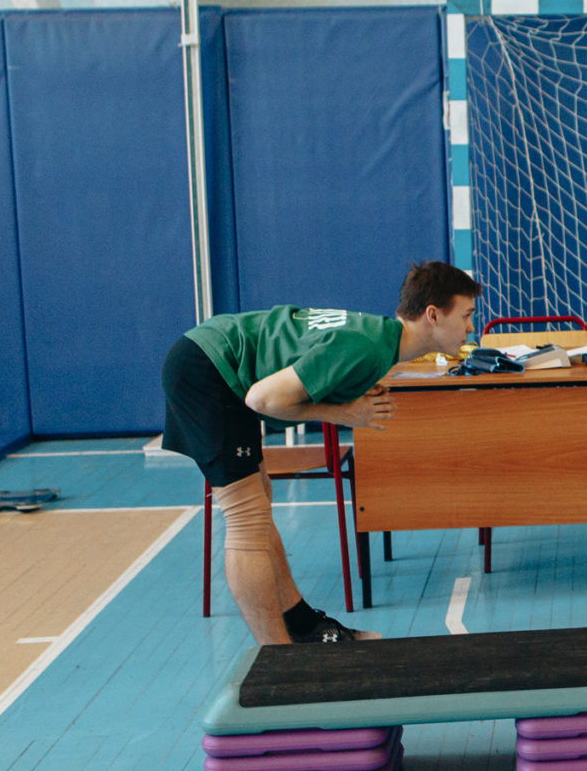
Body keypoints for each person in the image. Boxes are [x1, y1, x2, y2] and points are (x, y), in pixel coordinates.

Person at [161, 261, 481, 645]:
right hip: (206, 369)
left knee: (257, 501)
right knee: (246, 516)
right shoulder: (366, 347)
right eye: (466, 315)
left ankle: (301, 625)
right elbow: (262, 398)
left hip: (219, 363)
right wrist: (345, 414)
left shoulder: (379, 341)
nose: (470, 327)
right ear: (433, 315)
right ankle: (280, 659)